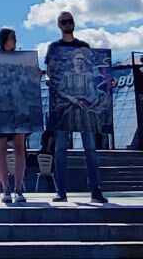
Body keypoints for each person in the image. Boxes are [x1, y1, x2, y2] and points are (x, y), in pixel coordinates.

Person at [46, 12, 108, 204]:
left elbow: (93, 89)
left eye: (70, 21)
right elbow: (52, 76)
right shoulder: (54, 48)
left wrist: (89, 102)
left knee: (90, 149)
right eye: (64, 22)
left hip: (85, 112)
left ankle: (95, 189)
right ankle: (61, 191)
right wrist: (53, 84)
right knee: (60, 149)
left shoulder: (84, 47)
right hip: (65, 110)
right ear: (59, 25)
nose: (67, 24)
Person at [0, 27, 30, 204]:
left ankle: (19, 187)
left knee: (20, 147)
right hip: (0, 107)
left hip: (17, 106)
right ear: (4, 39)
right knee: (1, 148)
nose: (15, 40)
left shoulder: (21, 59)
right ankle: (6, 188)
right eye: (13, 37)